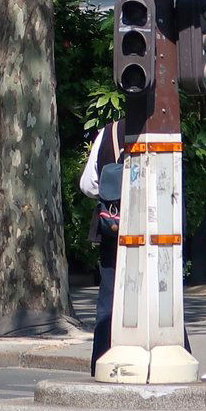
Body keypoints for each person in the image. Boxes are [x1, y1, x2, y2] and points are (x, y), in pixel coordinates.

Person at [77, 119, 125, 362]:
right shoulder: (165, 130)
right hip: (155, 235)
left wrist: (111, 190)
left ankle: (101, 360)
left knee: (108, 301)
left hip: (113, 228)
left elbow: (87, 184)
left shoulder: (110, 132)